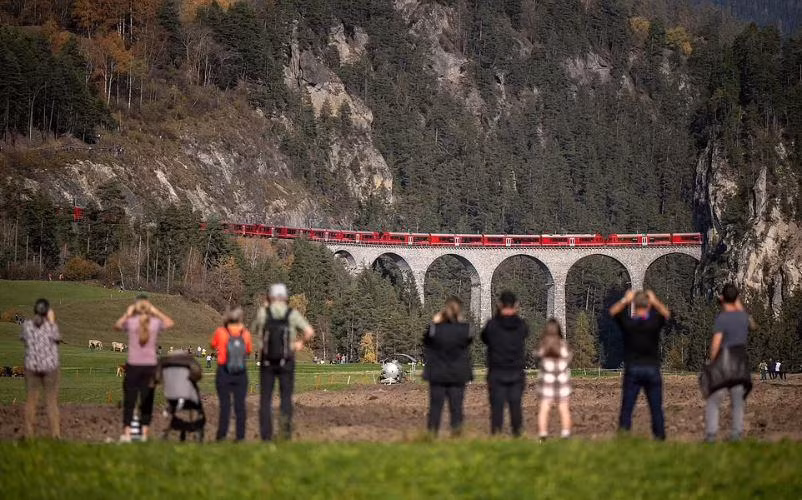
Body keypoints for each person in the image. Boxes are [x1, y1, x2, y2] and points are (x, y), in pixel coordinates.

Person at [251, 284, 314, 441]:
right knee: (286, 397)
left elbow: (254, 329)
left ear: (270, 297)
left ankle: (266, 436)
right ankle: (285, 434)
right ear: (286, 298)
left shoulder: (263, 313)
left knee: (265, 398)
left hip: (267, 361)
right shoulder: (291, 314)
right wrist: (299, 344)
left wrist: (265, 308)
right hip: (287, 359)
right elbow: (309, 332)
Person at [609, 289, 670, 440]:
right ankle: (660, 438)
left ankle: (623, 438)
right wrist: (655, 301)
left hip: (633, 369)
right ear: (648, 306)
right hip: (652, 369)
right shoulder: (654, 323)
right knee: (656, 408)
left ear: (634, 306)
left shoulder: (629, 324)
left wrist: (625, 300)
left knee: (627, 407)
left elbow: (613, 312)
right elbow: (666, 314)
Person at [114, 295, 174, 442]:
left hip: (133, 366)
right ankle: (145, 433)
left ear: (136, 308)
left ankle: (127, 433)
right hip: (150, 367)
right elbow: (170, 323)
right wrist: (156, 311)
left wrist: (127, 314)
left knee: (130, 401)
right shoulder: (154, 323)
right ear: (149, 308)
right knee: (147, 400)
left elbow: (117, 326)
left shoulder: (131, 322)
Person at [705, 284, 754, 442]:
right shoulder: (743, 317)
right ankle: (736, 434)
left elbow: (716, 343)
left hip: (724, 360)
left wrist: (712, 362)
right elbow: (753, 325)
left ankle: (712, 435)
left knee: (714, 399)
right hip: (740, 360)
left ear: (723, 298)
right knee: (738, 399)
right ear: (737, 298)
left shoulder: (722, 318)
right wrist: (737, 302)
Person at [422, 297, 473, 437]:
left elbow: (426, 340)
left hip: (438, 374)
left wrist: (435, 322)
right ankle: (456, 436)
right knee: (456, 408)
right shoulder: (465, 329)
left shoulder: (435, 329)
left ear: (445, 311)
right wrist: (459, 321)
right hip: (458, 374)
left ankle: (432, 436)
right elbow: (469, 340)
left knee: (435, 407)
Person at [481, 290, 529, 437]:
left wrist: (498, 315)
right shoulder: (521, 325)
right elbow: (525, 333)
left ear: (499, 305)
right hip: (516, 372)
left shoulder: (492, 325)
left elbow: (484, 337)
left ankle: (496, 436)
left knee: (497, 407)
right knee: (515, 406)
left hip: (497, 372)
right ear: (516, 306)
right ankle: (517, 435)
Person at [210, 306, 253, 441]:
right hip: (240, 372)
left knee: (225, 405)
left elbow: (212, 345)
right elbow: (248, 351)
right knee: (240, 405)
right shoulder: (245, 333)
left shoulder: (220, 331)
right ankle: (240, 436)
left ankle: (221, 435)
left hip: (224, 371)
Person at [20, 299, 61, 439]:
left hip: (32, 367)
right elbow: (56, 339)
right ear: (47, 311)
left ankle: (29, 434)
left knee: (31, 400)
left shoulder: (27, 326)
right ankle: (55, 435)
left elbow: (24, 340)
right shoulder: (51, 326)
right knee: (51, 401)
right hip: (49, 368)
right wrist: (51, 320)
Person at [536, 319, 572, 441]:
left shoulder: (543, 345)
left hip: (547, 381)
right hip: (562, 381)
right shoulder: (563, 345)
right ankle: (566, 435)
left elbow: (538, 357)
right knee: (564, 409)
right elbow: (568, 358)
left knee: (544, 409)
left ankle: (542, 436)